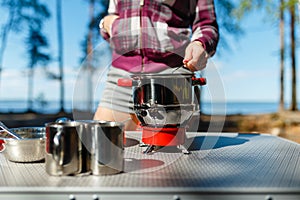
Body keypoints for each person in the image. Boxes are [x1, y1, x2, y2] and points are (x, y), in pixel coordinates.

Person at [93, 0, 219, 131]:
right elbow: (113, 15)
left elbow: (206, 24)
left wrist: (200, 44)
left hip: (171, 79)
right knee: (102, 142)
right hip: (122, 75)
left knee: (171, 149)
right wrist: (107, 24)